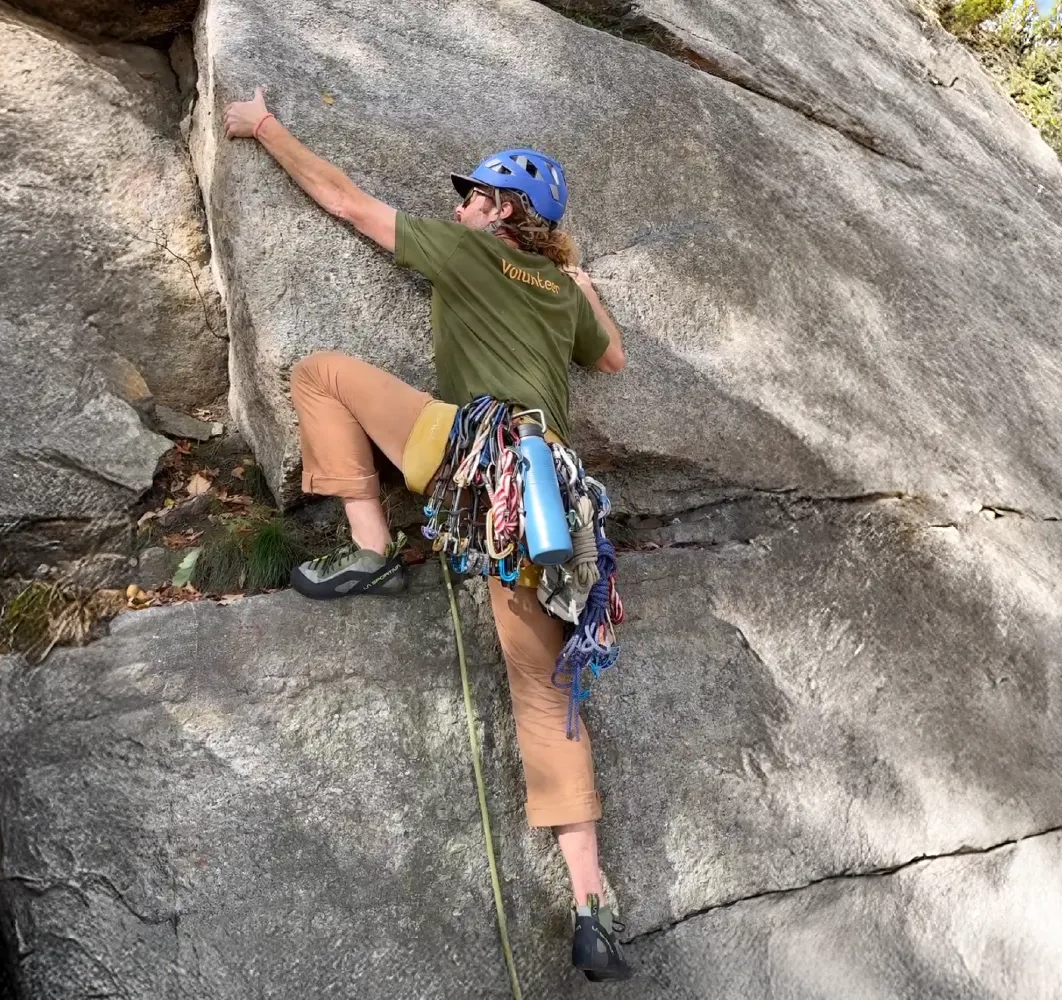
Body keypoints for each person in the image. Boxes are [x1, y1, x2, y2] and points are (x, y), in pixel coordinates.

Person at [221, 87, 633, 980]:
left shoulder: (464, 253)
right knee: (547, 695)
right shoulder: (559, 290)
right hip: (550, 501)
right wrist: (586, 287)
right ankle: (591, 903)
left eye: (473, 197)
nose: (457, 208)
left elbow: (341, 198)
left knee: (320, 374)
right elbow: (609, 356)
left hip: (472, 453)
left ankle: (371, 549)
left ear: (501, 212)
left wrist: (262, 127)